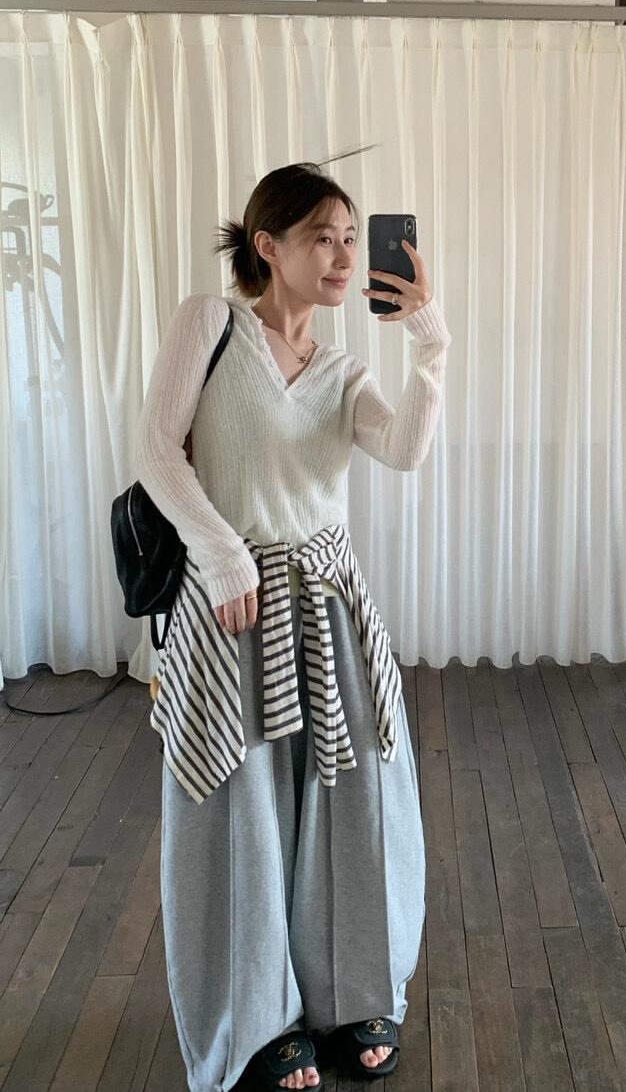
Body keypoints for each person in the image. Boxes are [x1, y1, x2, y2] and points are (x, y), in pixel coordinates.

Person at [134, 162, 451, 1092]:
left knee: (357, 801)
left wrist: (430, 347)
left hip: (329, 602)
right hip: (231, 604)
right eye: (323, 237)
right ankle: (258, 1019)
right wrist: (223, 555)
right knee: (241, 812)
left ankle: (355, 996)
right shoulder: (211, 323)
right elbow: (155, 448)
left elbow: (405, 451)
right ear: (267, 245)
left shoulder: (345, 371)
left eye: (352, 238)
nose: (344, 256)